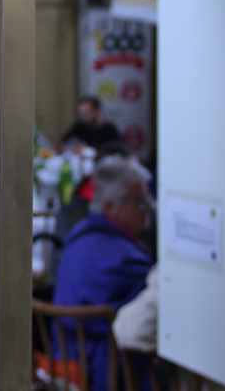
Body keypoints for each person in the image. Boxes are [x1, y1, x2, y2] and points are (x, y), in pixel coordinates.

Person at [52, 156, 155, 391]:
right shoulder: (124, 259)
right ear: (110, 206)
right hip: (103, 373)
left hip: (65, 363)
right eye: (140, 202)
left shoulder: (79, 232)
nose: (149, 208)